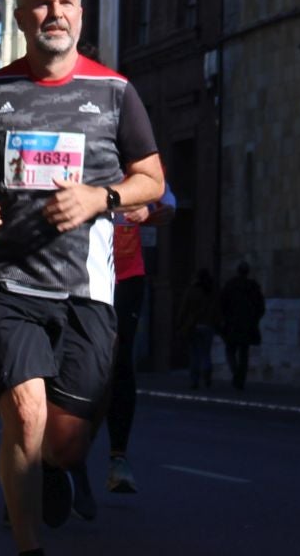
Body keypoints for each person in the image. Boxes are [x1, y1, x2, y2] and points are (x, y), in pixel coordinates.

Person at [0, 0, 165, 555]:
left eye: (66, 3)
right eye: (42, 3)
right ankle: (29, 546)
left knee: (64, 442)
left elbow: (152, 180)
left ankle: (55, 468)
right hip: (5, 281)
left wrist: (101, 197)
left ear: (81, 14)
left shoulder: (115, 93)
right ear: (20, 17)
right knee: (25, 415)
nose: (55, 14)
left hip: (85, 288)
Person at [101, 182, 176, 495]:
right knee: (81, 366)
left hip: (126, 277)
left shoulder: (139, 165)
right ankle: (58, 460)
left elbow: (168, 204)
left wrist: (149, 210)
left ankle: (118, 458)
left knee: (120, 362)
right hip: (79, 273)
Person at [218, 262, 265, 391]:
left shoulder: (230, 285)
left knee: (230, 350)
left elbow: (222, 304)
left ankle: (236, 373)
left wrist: (224, 319)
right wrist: (254, 319)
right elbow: (260, 307)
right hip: (247, 324)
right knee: (244, 353)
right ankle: (240, 377)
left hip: (232, 323)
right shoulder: (253, 287)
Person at [176, 270, 218, 389]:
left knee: (194, 354)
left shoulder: (192, 291)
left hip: (193, 325)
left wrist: (180, 324)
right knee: (206, 352)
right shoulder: (212, 291)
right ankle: (207, 372)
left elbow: (184, 309)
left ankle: (194, 380)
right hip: (208, 325)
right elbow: (217, 309)